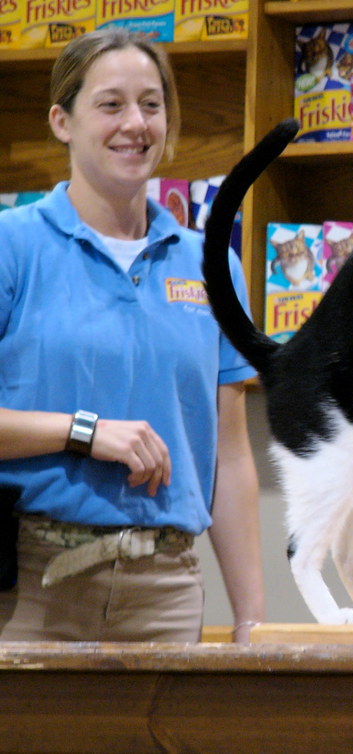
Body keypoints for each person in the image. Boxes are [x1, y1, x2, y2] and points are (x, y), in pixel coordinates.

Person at [0, 28, 264, 642]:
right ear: (62, 122)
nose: (135, 123)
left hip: (168, 592)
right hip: (31, 590)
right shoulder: (13, 246)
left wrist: (252, 619)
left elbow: (230, 455)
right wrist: (82, 432)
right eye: (111, 104)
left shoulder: (214, 266)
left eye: (151, 104)